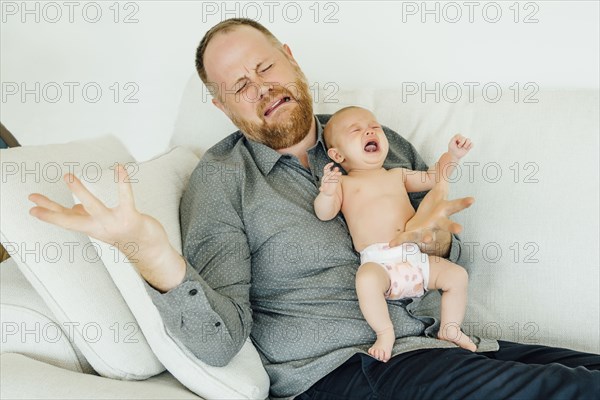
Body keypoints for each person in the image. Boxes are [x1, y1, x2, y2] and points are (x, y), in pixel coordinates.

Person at [28, 18, 600, 400]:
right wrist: (146, 251)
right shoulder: (224, 183)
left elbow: (444, 238)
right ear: (221, 105)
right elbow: (219, 342)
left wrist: (435, 241)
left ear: (290, 58)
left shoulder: (377, 138)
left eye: (265, 67)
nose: (261, 88)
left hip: (437, 341)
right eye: (239, 85)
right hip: (347, 372)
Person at [315, 106, 476, 361]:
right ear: (337, 154)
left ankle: (450, 327)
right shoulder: (345, 184)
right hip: (380, 263)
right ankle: (385, 332)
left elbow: (434, 177)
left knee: (457, 276)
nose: (369, 129)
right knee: (365, 280)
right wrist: (326, 193)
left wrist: (452, 156)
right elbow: (325, 213)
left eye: (374, 126)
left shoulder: (397, 175)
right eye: (356, 130)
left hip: (415, 256)